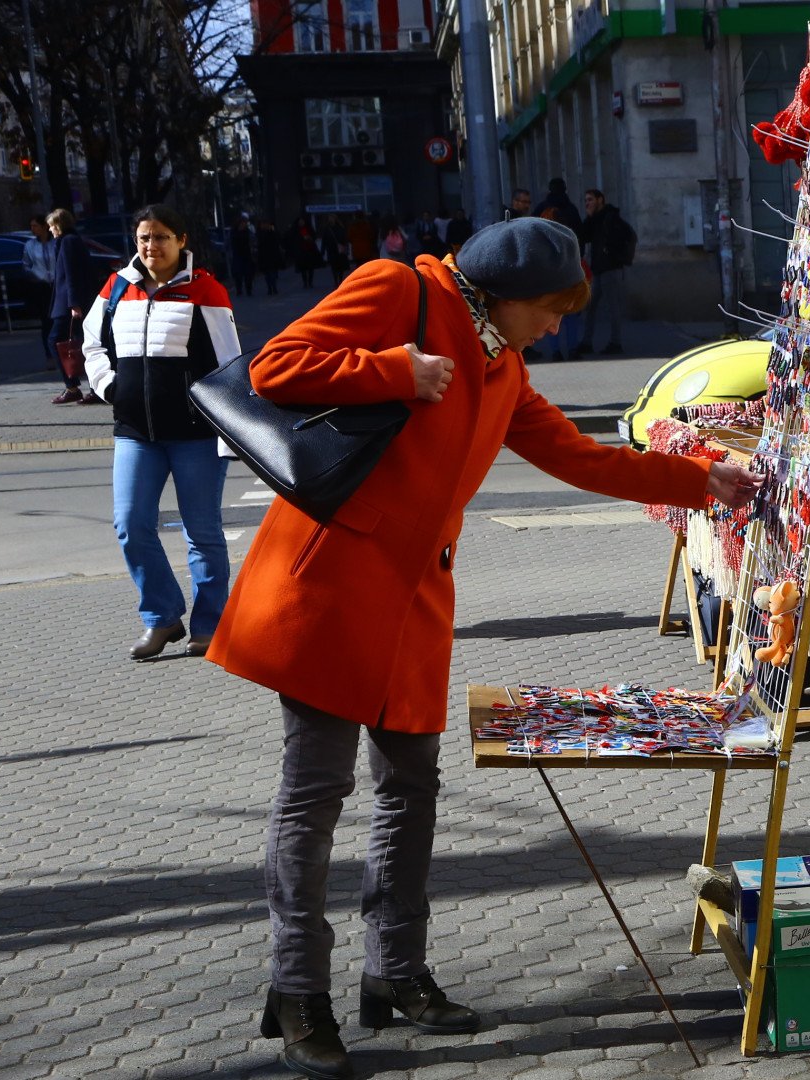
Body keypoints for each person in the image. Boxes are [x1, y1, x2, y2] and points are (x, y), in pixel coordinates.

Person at [205, 217, 760, 1080]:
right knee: (315, 793)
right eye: (551, 308)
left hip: (414, 603)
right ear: (504, 293)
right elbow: (277, 365)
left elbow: (581, 459)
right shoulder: (400, 290)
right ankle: (297, 993)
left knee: (409, 791)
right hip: (331, 591)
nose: (560, 325)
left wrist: (699, 480)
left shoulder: (503, 363)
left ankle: (395, 974)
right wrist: (395, 370)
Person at [81, 204, 241, 661]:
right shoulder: (117, 287)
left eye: (161, 237)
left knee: (202, 533)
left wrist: (228, 429)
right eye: (144, 238)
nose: (152, 246)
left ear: (182, 240)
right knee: (130, 525)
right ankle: (163, 618)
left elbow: (230, 365)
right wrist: (109, 384)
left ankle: (209, 625)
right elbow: (92, 342)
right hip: (134, 430)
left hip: (194, 434)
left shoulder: (206, 291)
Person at [48, 209, 104, 404]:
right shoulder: (67, 240)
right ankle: (83, 387)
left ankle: (75, 387)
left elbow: (72, 274)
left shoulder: (68, 241)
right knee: (81, 343)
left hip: (70, 304)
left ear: (59, 224)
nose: (50, 229)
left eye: (52, 225)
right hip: (68, 302)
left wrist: (74, 304)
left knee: (59, 341)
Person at [580, 188, 634, 355]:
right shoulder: (594, 219)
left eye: (590, 200)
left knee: (613, 307)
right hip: (598, 269)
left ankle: (615, 343)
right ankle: (586, 342)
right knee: (589, 306)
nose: (588, 203)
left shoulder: (611, 217)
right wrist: (589, 217)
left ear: (600, 200)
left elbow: (630, 236)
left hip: (611, 269)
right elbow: (584, 236)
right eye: (586, 201)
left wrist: (616, 256)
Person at [24, 215, 57, 368]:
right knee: (46, 322)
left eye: (35, 225)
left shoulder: (55, 242)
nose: (33, 229)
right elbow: (26, 265)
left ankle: (63, 353)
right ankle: (49, 354)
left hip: (56, 285)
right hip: (41, 286)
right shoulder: (30, 245)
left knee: (60, 320)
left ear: (44, 226)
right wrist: (38, 276)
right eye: (31, 226)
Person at [229, 212, 257, 297]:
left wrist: (253, 248)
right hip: (237, 255)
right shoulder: (233, 232)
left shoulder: (247, 232)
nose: (244, 225)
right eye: (243, 223)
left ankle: (249, 289)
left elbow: (253, 240)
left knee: (248, 274)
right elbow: (229, 243)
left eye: (245, 223)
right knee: (238, 274)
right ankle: (239, 289)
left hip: (246, 254)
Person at [292, 214, 322, 290]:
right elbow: (294, 240)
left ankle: (310, 281)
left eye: (302, 221)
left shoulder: (309, 229)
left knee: (310, 268)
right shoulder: (296, 230)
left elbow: (314, 236)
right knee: (303, 268)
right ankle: (305, 282)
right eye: (300, 221)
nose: (301, 222)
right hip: (301, 251)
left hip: (310, 250)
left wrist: (309, 238)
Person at [321, 216, 351, 287]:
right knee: (334, 266)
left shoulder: (339, 228)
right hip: (332, 250)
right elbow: (324, 240)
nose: (331, 220)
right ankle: (336, 281)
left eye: (332, 218)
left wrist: (345, 247)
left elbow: (344, 238)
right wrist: (323, 250)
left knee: (339, 267)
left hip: (338, 250)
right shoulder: (328, 229)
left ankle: (339, 280)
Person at [258, 220, 285, 296]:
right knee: (267, 274)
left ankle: (273, 287)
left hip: (272, 255)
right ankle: (270, 287)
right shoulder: (261, 233)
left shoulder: (272, 233)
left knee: (272, 273)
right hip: (265, 256)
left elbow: (278, 240)